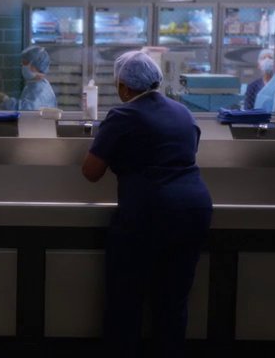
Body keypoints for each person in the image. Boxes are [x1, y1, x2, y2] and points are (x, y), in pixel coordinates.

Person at [81, 51, 212, 358]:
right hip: (194, 210)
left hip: (150, 213)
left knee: (125, 302)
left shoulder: (123, 116)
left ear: (124, 86)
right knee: (173, 302)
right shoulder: (183, 112)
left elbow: (91, 172)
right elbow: (185, 150)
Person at [0, 45, 57, 110]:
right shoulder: (33, 85)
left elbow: (27, 110)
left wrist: (5, 99)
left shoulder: (40, 90)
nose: (22, 65)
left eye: (25, 62)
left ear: (36, 66)